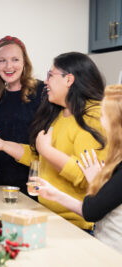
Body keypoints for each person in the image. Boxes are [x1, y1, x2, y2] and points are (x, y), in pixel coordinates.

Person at [0, 52, 108, 231]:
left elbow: (87, 178)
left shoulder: (93, 116)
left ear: (69, 80)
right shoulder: (59, 113)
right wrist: (3, 145)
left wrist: (47, 151)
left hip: (75, 226)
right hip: (47, 215)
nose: (45, 82)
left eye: (50, 75)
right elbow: (42, 159)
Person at [36, 84, 122, 251]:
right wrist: (55, 194)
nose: (100, 120)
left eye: (103, 115)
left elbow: (92, 211)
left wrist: (94, 181)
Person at [0, 35, 45, 196]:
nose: (8, 66)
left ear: (24, 62)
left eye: (15, 60)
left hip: (36, 186)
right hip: (2, 186)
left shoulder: (42, 92)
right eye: (2, 61)